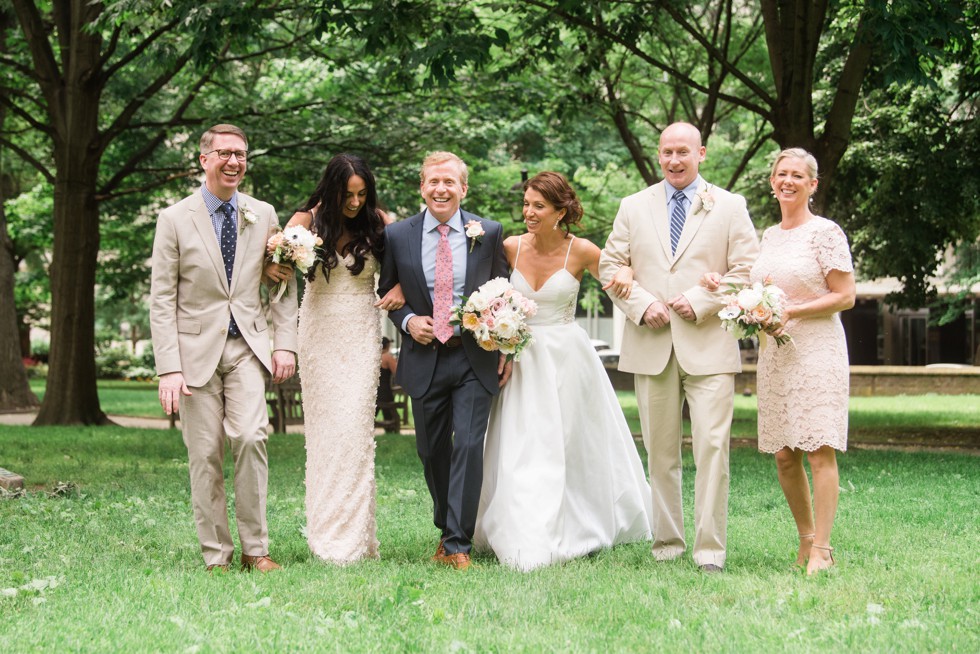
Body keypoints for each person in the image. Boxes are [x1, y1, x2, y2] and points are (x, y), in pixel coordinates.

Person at [599, 122, 760, 573]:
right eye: (667, 152)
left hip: (709, 347)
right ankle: (667, 544)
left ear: (701, 153)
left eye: (683, 152)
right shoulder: (633, 206)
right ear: (659, 154)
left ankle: (710, 552)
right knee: (661, 453)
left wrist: (702, 300)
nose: (674, 160)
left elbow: (747, 269)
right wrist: (641, 304)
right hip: (651, 344)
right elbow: (611, 265)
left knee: (712, 448)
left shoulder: (729, 206)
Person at [473, 172, 652, 572]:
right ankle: (520, 526)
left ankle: (577, 520)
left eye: (539, 206)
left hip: (568, 359)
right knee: (522, 444)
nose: (528, 212)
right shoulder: (510, 247)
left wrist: (626, 271)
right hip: (520, 358)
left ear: (561, 211)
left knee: (571, 443)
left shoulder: (583, 250)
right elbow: (491, 297)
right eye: (526, 204)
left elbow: (621, 280)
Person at [150, 124, 299, 573]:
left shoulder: (263, 213)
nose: (234, 162)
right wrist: (168, 368)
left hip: (247, 347)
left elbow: (284, 283)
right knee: (205, 454)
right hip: (193, 354)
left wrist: (285, 345)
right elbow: (161, 299)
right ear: (204, 159)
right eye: (225, 154)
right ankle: (217, 555)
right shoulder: (174, 219)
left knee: (252, 438)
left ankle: (257, 549)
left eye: (241, 153)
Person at [701, 148, 855, 575]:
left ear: (812, 184)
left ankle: (823, 549)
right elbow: (761, 295)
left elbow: (845, 295)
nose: (787, 181)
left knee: (819, 449)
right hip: (775, 355)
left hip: (818, 350)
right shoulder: (768, 236)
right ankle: (806, 539)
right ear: (772, 182)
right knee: (785, 454)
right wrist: (727, 290)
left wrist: (794, 312)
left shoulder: (826, 233)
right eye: (781, 174)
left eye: (797, 176)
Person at [378, 151, 511, 571]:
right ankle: (444, 524)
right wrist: (407, 320)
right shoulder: (398, 235)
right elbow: (387, 293)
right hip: (424, 358)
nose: (441, 189)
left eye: (449, 182)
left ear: (463, 188)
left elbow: (503, 291)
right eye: (433, 182)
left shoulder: (487, 233)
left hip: (474, 357)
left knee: (469, 446)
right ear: (422, 186)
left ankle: (458, 544)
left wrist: (506, 345)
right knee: (431, 451)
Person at [271, 153, 404, 565]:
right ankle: (326, 536)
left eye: (362, 194)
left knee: (355, 433)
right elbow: (273, 270)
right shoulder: (306, 222)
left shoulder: (380, 221)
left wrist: (398, 290)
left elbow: (403, 273)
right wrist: (274, 260)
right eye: (348, 194)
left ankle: (356, 541)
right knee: (326, 435)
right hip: (319, 331)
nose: (355, 202)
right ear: (332, 190)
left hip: (362, 332)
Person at [376, 337, 399, 428]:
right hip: (385, 392)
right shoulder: (387, 357)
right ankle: (391, 431)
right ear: (387, 345)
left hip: (375, 392)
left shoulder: (374, 356)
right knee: (391, 416)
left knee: (372, 416)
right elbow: (397, 373)